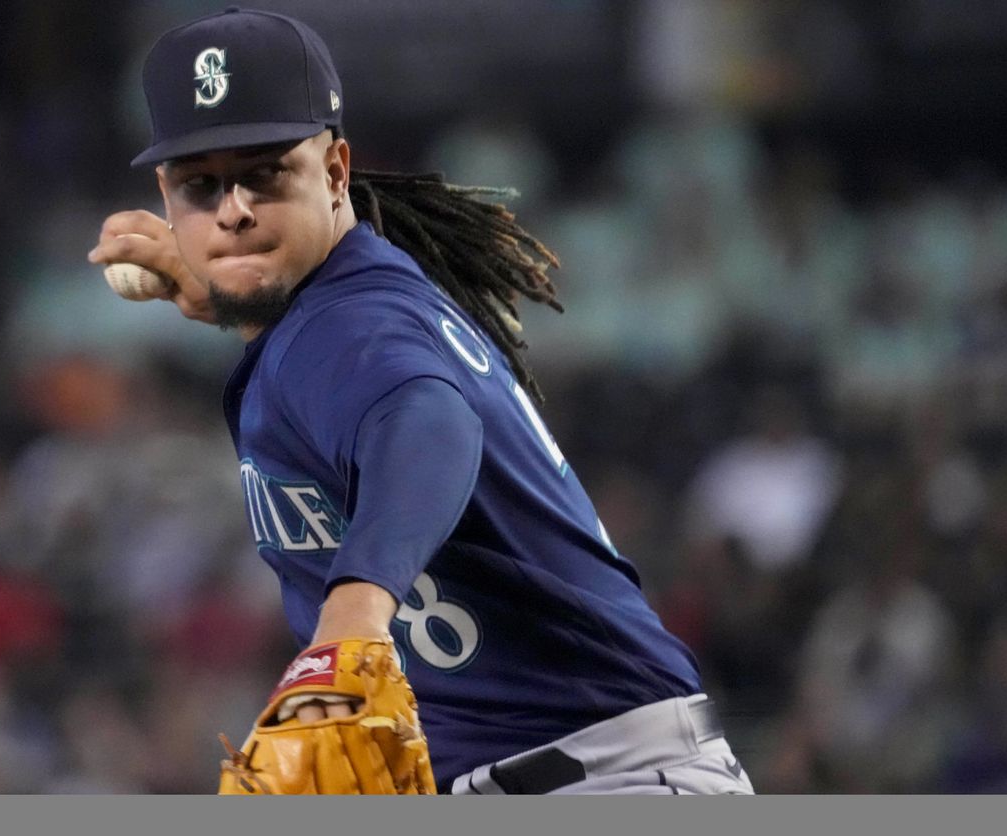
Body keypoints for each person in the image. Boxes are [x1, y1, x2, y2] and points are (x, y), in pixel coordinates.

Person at [89, 7, 754, 795]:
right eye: (201, 186)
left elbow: (429, 421)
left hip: (604, 779)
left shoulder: (344, 325)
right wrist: (221, 291)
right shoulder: (335, 306)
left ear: (335, 170)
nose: (232, 208)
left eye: (266, 173)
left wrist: (352, 623)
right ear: (166, 196)